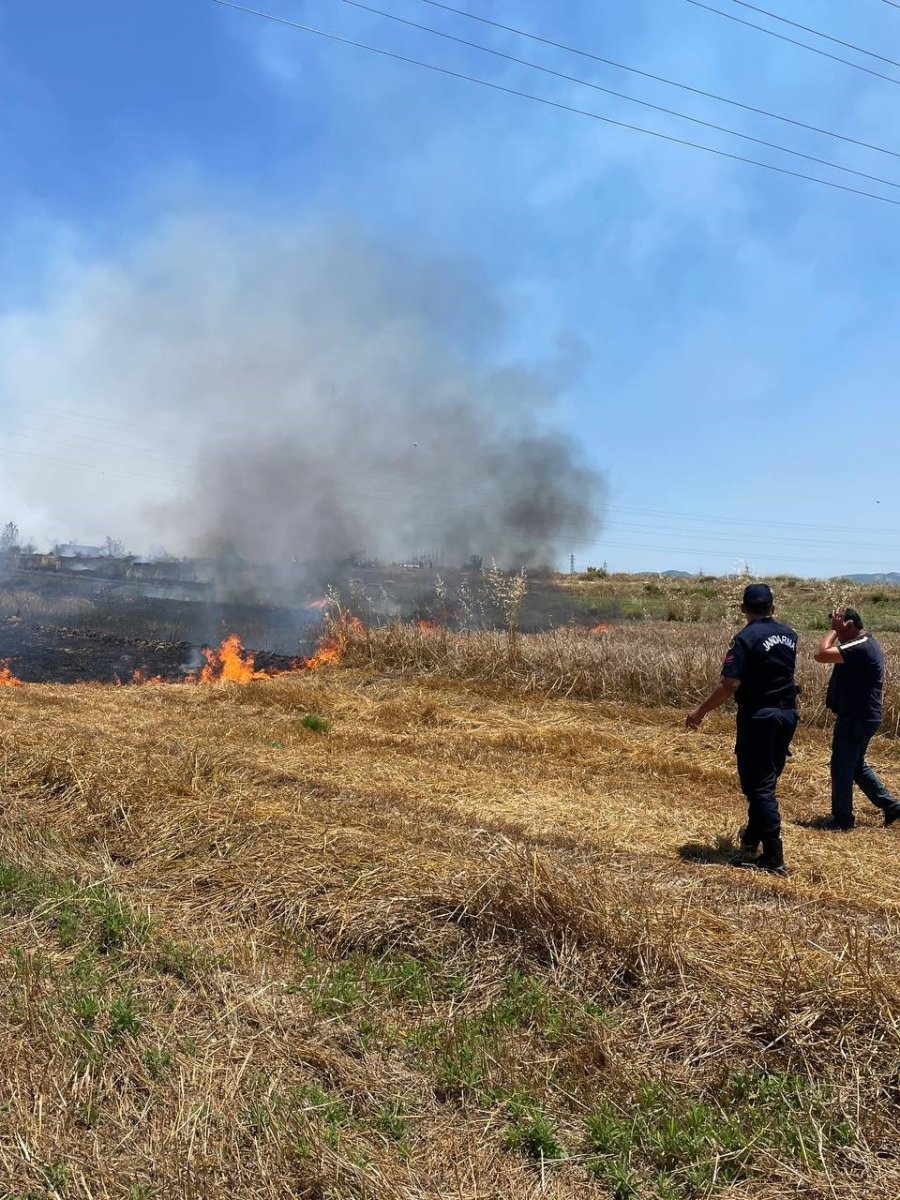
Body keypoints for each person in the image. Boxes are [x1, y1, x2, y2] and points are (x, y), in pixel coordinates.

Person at [686, 583, 798, 875]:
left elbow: (731, 684)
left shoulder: (745, 638)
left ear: (743, 609)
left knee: (758, 786)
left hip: (759, 716)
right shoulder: (789, 635)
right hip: (787, 713)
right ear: (773, 607)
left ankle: (773, 856)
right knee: (768, 779)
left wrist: (700, 711)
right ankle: (751, 837)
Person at [813, 607, 900, 830]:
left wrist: (834, 631)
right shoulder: (864, 643)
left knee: (841, 767)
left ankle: (842, 820)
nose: (836, 631)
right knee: (856, 766)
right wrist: (838, 629)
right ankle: (892, 806)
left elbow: (821, 654)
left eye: (841, 626)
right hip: (863, 715)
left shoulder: (860, 645)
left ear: (850, 625)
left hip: (856, 717)